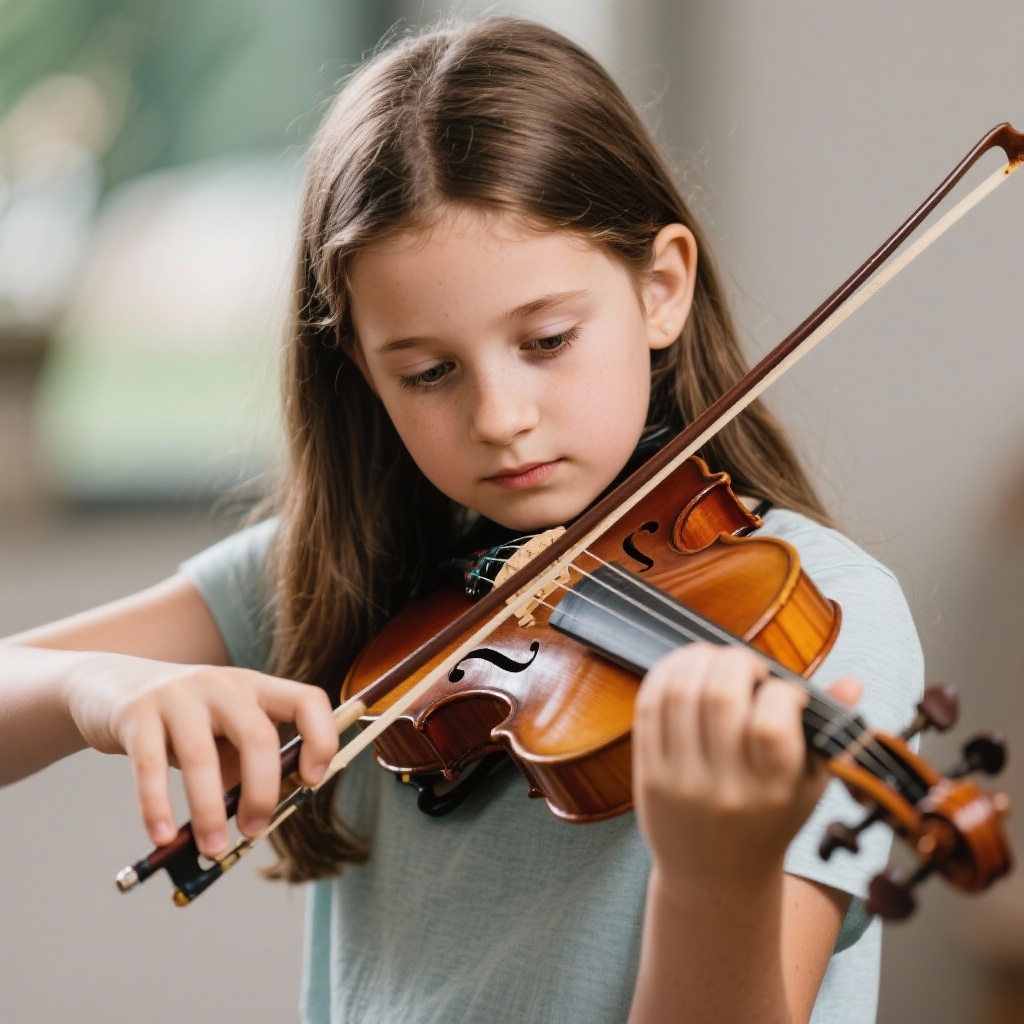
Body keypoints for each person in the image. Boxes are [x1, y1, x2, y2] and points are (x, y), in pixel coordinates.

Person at [0, 17, 922, 1024]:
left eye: (548, 339)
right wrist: (97, 686)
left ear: (659, 289)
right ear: (361, 371)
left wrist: (714, 879)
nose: (497, 417)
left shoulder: (828, 615)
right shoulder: (369, 575)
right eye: (428, 372)